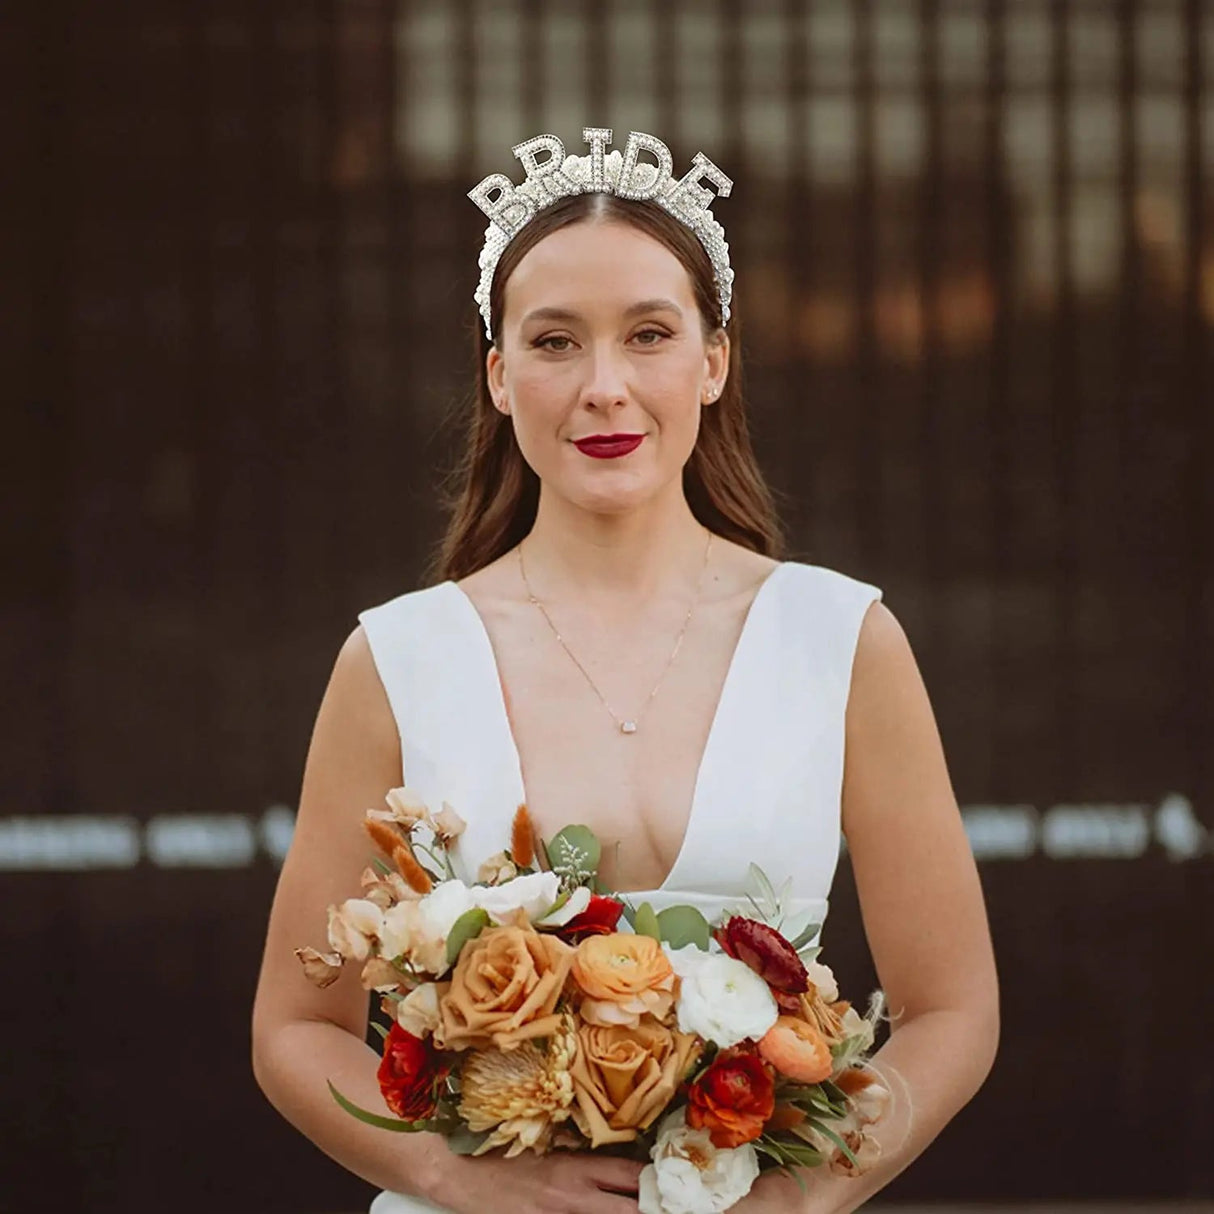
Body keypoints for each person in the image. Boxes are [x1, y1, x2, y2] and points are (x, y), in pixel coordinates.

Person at [251, 128, 1000, 1214]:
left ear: (713, 359)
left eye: (647, 333)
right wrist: (448, 1173)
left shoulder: (840, 638)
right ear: (499, 377)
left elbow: (952, 1007)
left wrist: (800, 1193)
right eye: (554, 343)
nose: (604, 386)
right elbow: (290, 1025)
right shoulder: (398, 656)